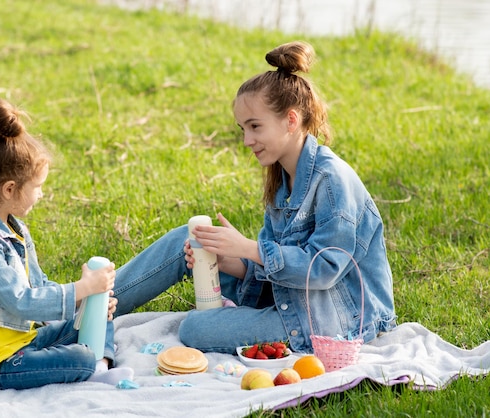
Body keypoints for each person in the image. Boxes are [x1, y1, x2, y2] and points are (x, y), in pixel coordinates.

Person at [113, 41, 397, 354]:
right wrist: (227, 259)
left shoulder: (332, 180)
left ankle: (83, 310)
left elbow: (325, 268)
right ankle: (89, 305)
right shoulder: (282, 181)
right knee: (194, 239)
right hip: (292, 302)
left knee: (195, 328)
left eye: (255, 127)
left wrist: (248, 248)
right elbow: (267, 270)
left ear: (291, 120)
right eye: (242, 129)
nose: (247, 140)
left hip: (333, 321)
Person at [0, 98, 133, 389]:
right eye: (37, 187)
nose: (41, 195)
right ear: (10, 189)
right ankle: (93, 366)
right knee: (80, 357)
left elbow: (39, 285)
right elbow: (22, 301)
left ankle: (100, 365)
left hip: (24, 341)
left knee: (101, 316)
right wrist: (81, 288)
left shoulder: (14, 227)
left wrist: (84, 304)